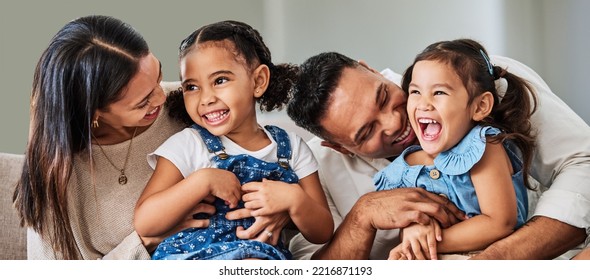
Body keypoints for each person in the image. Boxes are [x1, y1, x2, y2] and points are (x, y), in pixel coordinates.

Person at [287, 48, 590, 259]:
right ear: (338, 147)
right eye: (367, 133)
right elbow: (311, 267)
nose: (396, 123)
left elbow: (582, 162)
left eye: (383, 96)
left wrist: (497, 259)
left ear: (370, 69)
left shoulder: (475, 79)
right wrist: (361, 217)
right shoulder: (316, 170)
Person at [11, 15, 229, 260]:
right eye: (143, 102)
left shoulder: (190, 105)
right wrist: (146, 240)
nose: (161, 98)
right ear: (94, 112)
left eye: (158, 76)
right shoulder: (56, 175)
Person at [133, 20, 333, 260]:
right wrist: (202, 181)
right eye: (192, 87)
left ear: (258, 81)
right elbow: (145, 222)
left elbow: (322, 231)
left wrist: (294, 199)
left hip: (262, 258)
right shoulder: (189, 144)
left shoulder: (291, 149)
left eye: (219, 81)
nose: (206, 98)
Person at [373, 39, 536, 260]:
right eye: (415, 92)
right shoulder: (407, 166)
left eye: (439, 92)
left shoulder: (483, 147)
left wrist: (423, 245)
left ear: (479, 107)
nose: (423, 104)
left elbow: (500, 222)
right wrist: (413, 230)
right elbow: (411, 220)